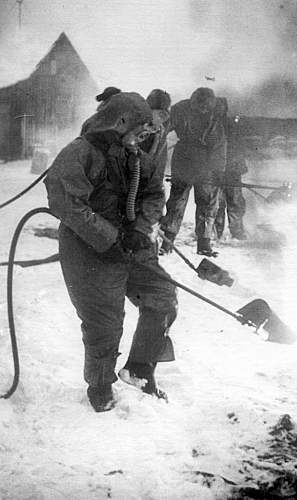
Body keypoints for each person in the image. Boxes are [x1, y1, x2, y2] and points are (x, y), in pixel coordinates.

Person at [44, 92, 177, 412]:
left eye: (146, 134)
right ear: (120, 122)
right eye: (139, 131)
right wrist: (108, 238)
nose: (142, 139)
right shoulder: (80, 152)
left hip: (129, 246)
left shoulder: (136, 157)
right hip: (88, 250)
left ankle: (140, 369)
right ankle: (100, 384)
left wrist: (140, 228)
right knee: (104, 322)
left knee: (161, 295)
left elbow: (154, 195)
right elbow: (67, 203)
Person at [160, 87, 227, 257]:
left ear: (210, 106)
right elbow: (163, 128)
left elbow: (220, 147)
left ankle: (204, 244)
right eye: (198, 106)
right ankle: (167, 242)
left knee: (207, 204)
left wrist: (217, 173)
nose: (201, 110)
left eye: (205, 107)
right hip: (183, 161)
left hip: (208, 163)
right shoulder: (180, 110)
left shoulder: (217, 116)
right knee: (176, 203)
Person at [215, 114, 248, 240]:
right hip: (219, 171)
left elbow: (238, 151)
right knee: (218, 203)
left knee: (233, 202)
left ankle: (236, 232)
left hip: (231, 171)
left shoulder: (232, 132)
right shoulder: (216, 127)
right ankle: (217, 231)